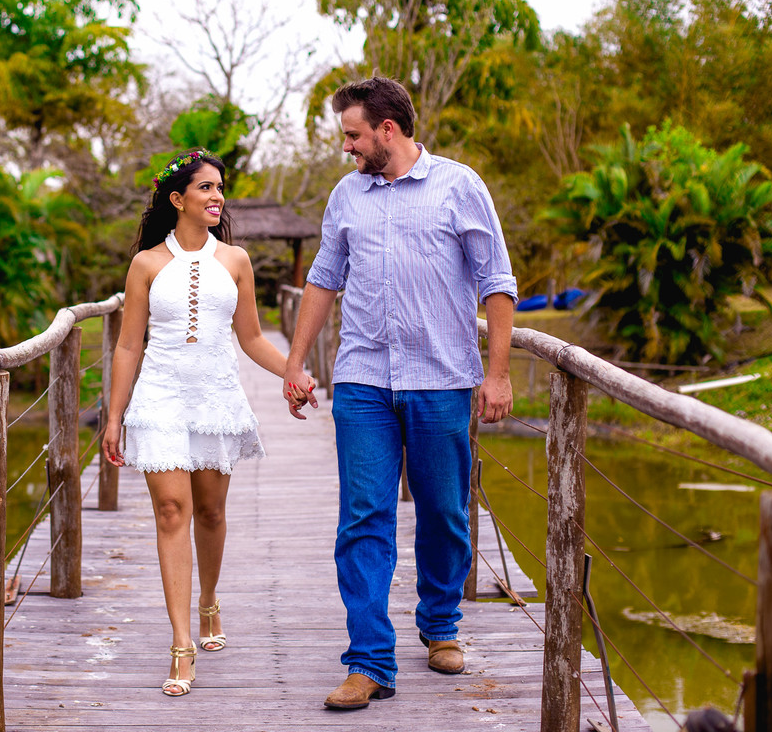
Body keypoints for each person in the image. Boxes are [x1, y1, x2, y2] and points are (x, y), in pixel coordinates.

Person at [282, 77, 518, 710]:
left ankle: (440, 623)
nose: (347, 148)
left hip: (441, 378)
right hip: (361, 380)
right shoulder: (346, 195)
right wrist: (296, 363)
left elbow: (496, 282)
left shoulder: (460, 186)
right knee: (363, 518)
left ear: (388, 130)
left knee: (443, 512)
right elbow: (323, 280)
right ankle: (369, 661)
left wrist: (495, 375)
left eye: (353, 136)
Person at [103, 148, 312, 697]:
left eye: (220, 188)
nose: (217, 196)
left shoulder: (236, 260)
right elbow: (129, 344)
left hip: (216, 398)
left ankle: (209, 600)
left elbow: (252, 339)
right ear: (177, 199)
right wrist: (115, 415)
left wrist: (293, 373)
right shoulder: (146, 264)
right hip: (160, 399)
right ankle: (180, 643)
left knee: (210, 511)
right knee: (172, 511)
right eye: (206, 188)